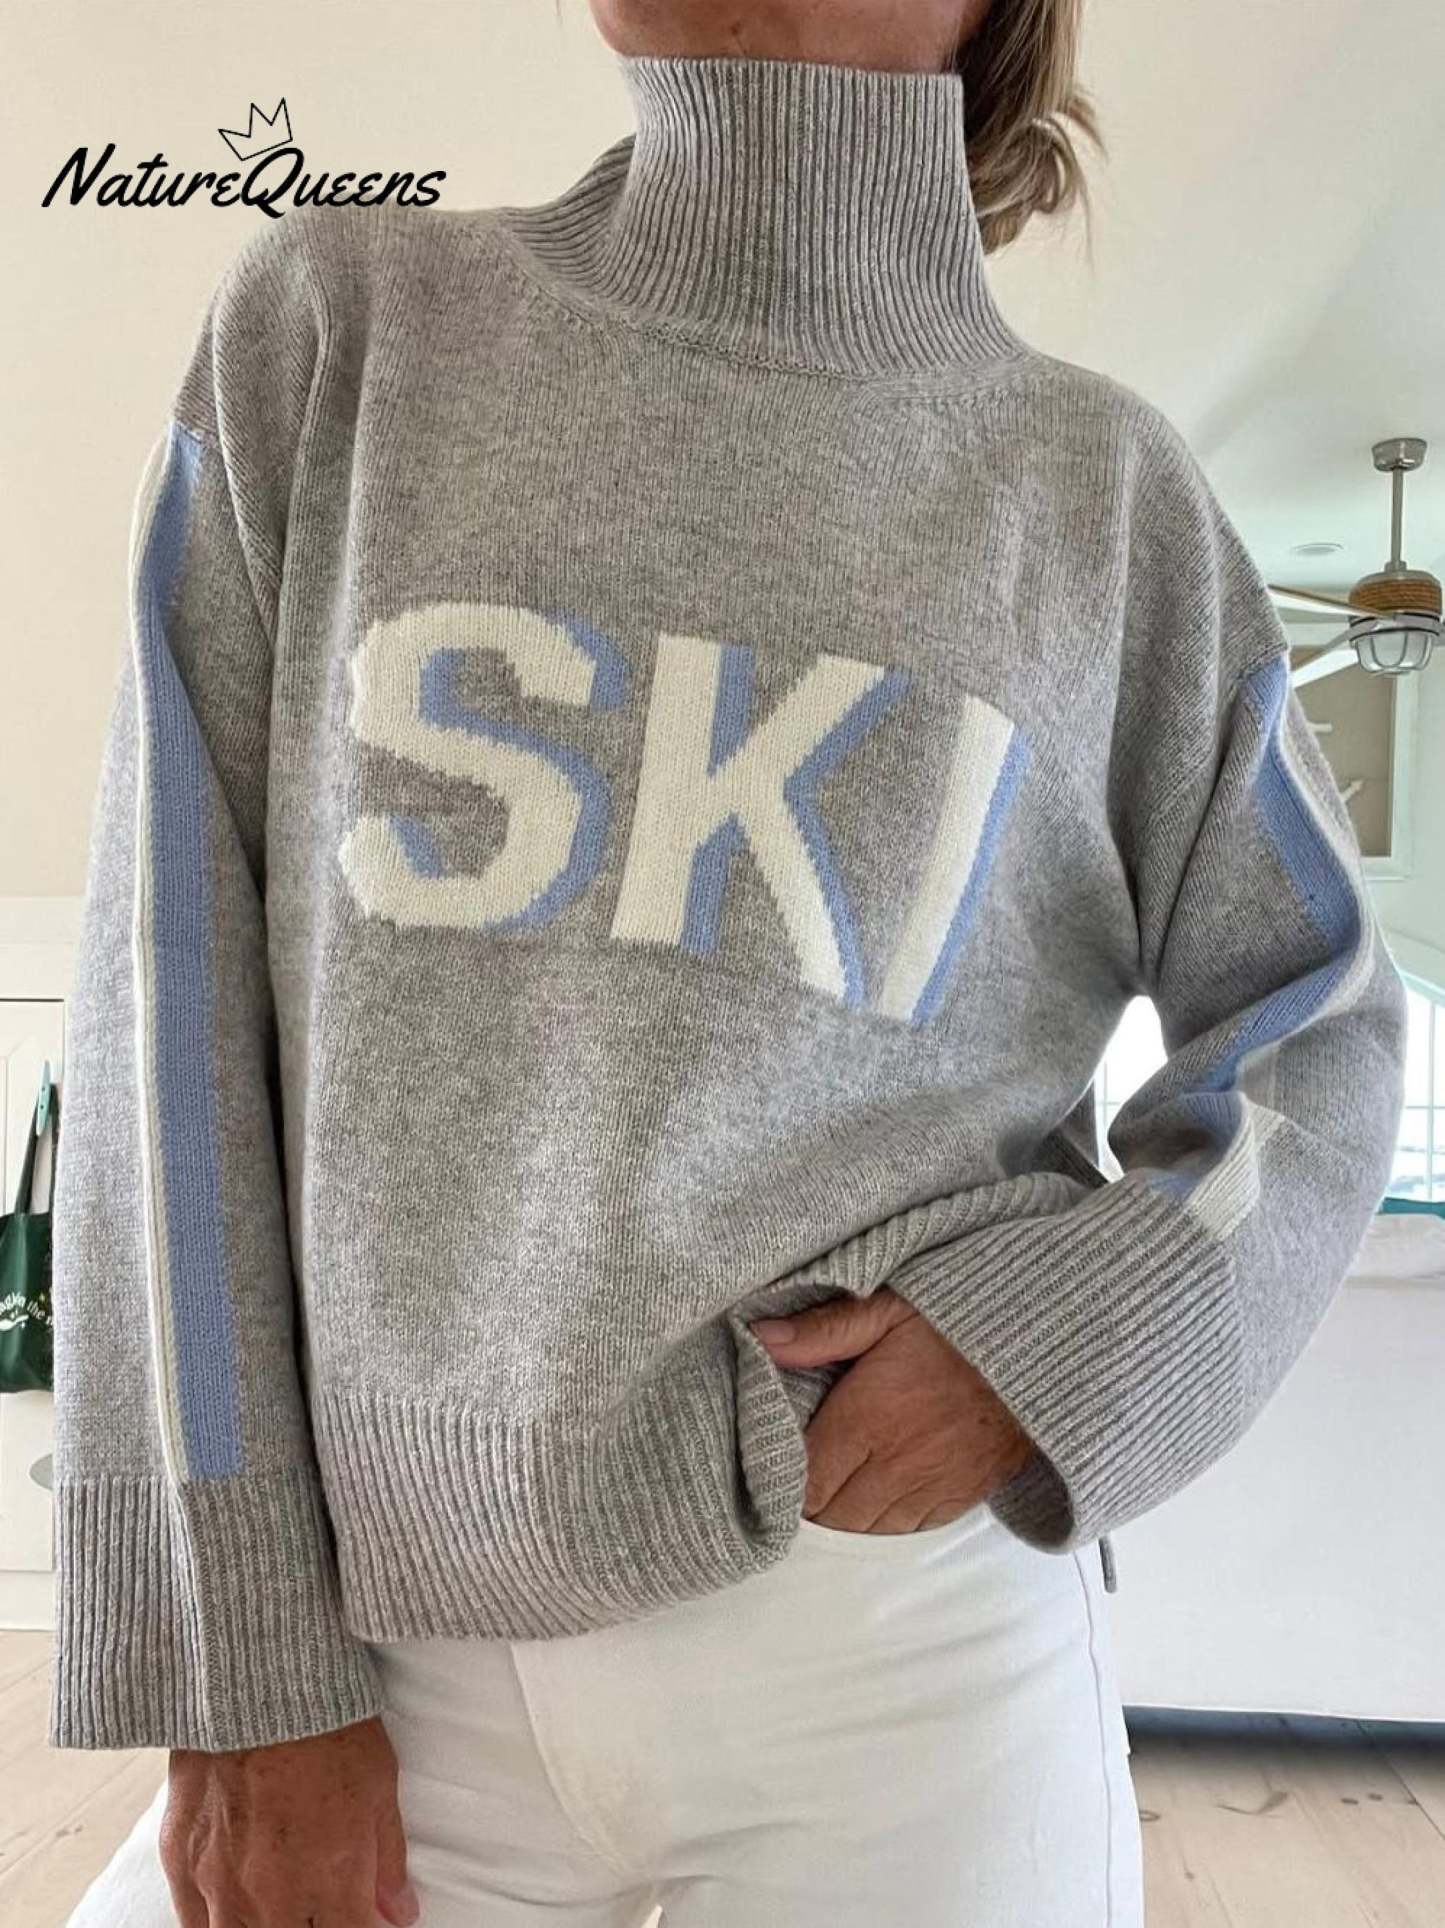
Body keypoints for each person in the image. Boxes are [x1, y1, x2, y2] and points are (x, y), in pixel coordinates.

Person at [51, 0, 1407, 1923]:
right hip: (375, 1657)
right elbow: (159, 1025)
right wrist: (238, 1678)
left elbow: (1321, 1020)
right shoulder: (336, 326)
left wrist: (1054, 1342)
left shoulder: (1104, 496)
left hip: (895, 1652)